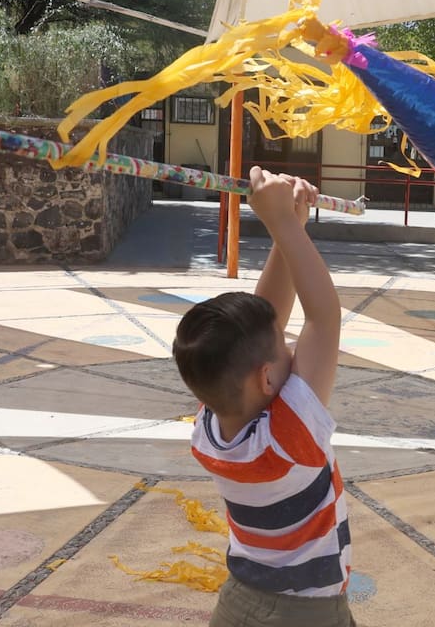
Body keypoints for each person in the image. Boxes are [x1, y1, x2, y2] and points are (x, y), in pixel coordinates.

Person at [172, 167, 356, 627]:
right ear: (268, 380)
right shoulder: (289, 441)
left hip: (239, 601)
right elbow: (324, 319)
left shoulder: (211, 427)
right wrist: (285, 224)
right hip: (307, 612)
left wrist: (287, 226)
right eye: (285, 343)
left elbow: (263, 321)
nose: (293, 344)